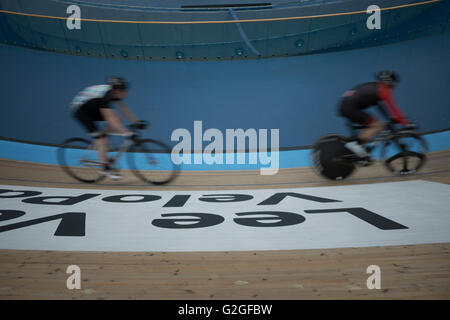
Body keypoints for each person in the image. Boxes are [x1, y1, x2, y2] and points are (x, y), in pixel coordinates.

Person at [71, 76, 145, 180]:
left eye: (125, 90)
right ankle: (105, 169)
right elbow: (111, 120)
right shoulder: (104, 97)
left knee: (117, 117)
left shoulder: (113, 92)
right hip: (80, 111)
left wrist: (136, 122)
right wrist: (127, 133)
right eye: (123, 91)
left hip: (91, 106)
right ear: (116, 90)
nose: (125, 93)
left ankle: (104, 144)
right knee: (101, 138)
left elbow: (123, 108)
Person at [338, 70, 411, 162]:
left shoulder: (376, 87)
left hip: (347, 106)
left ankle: (362, 156)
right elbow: (393, 108)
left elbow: (381, 107)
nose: (395, 85)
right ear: (390, 82)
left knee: (371, 127)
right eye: (395, 82)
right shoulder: (383, 90)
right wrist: (406, 123)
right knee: (377, 125)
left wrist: (390, 117)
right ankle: (353, 145)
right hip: (350, 107)